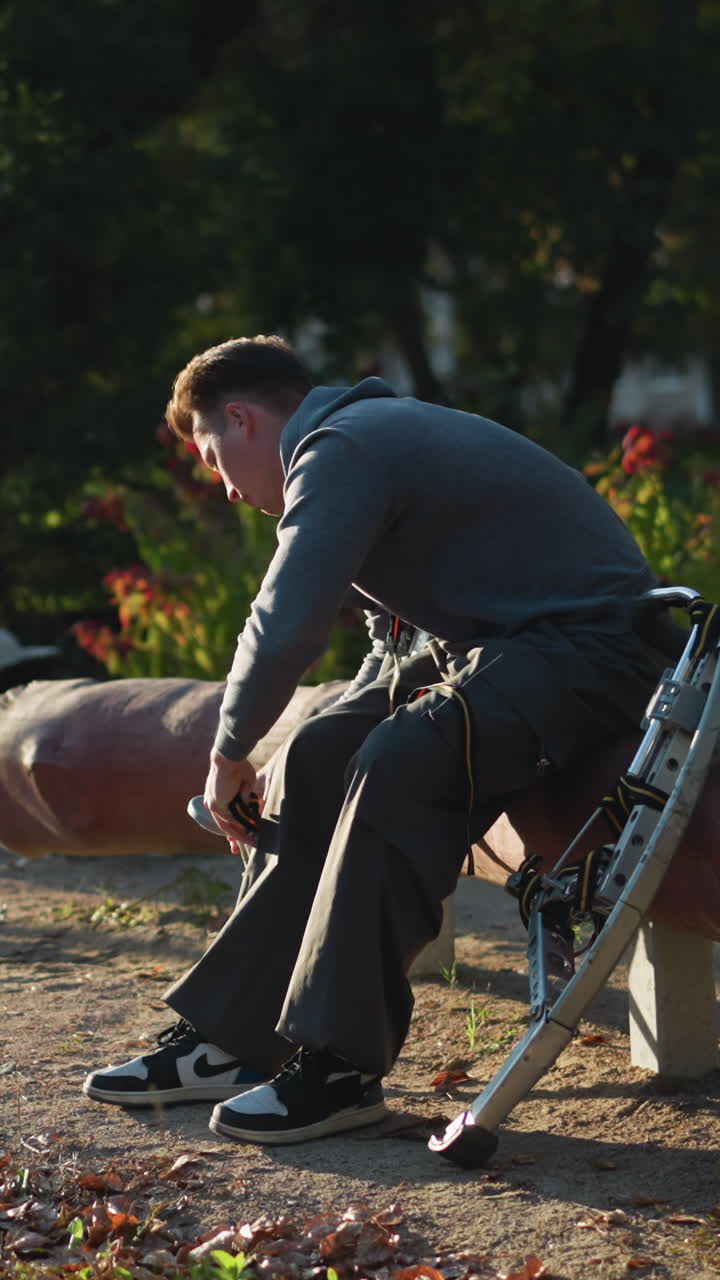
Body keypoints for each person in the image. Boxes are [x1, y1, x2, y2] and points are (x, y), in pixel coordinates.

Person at [83, 334, 681, 1145]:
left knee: (402, 762)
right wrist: (290, 746)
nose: (221, 487)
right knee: (321, 750)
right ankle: (231, 1040)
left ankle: (339, 1069)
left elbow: (283, 620)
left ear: (241, 417)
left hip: (595, 646)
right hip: (505, 646)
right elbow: (389, 643)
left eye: (213, 457)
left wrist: (225, 757)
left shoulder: (343, 446)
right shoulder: (369, 438)